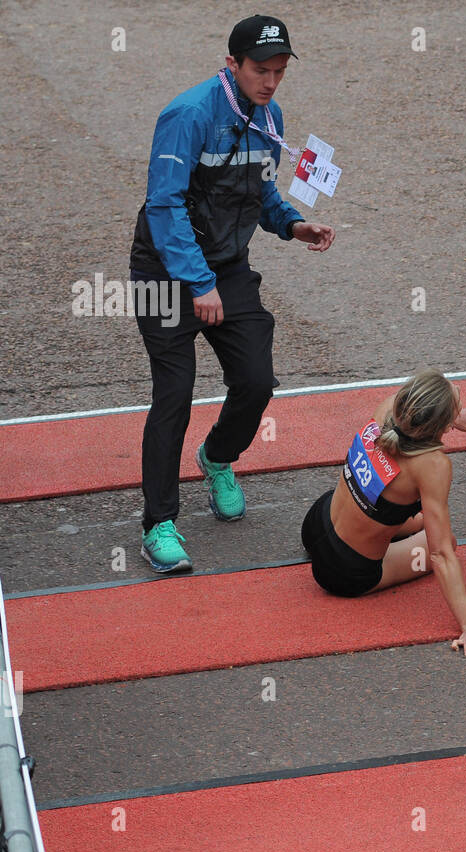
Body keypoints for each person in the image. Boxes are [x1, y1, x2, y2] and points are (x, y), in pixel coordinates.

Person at [130, 15, 335, 573]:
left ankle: (217, 457)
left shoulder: (270, 115)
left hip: (227, 266)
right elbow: (164, 205)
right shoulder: (189, 115)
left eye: (278, 72)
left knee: (256, 379)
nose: (269, 82)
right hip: (165, 272)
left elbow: (259, 189)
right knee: (174, 393)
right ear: (232, 65)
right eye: (259, 71)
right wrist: (198, 283)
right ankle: (159, 524)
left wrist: (293, 224)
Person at [301, 370, 466, 657]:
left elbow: (417, 412)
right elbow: (441, 554)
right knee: (449, 541)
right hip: (343, 572)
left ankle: (378, 532)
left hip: (316, 522)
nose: (458, 387)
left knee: (413, 518)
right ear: (441, 424)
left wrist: (449, 420)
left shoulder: (390, 407)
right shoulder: (432, 466)